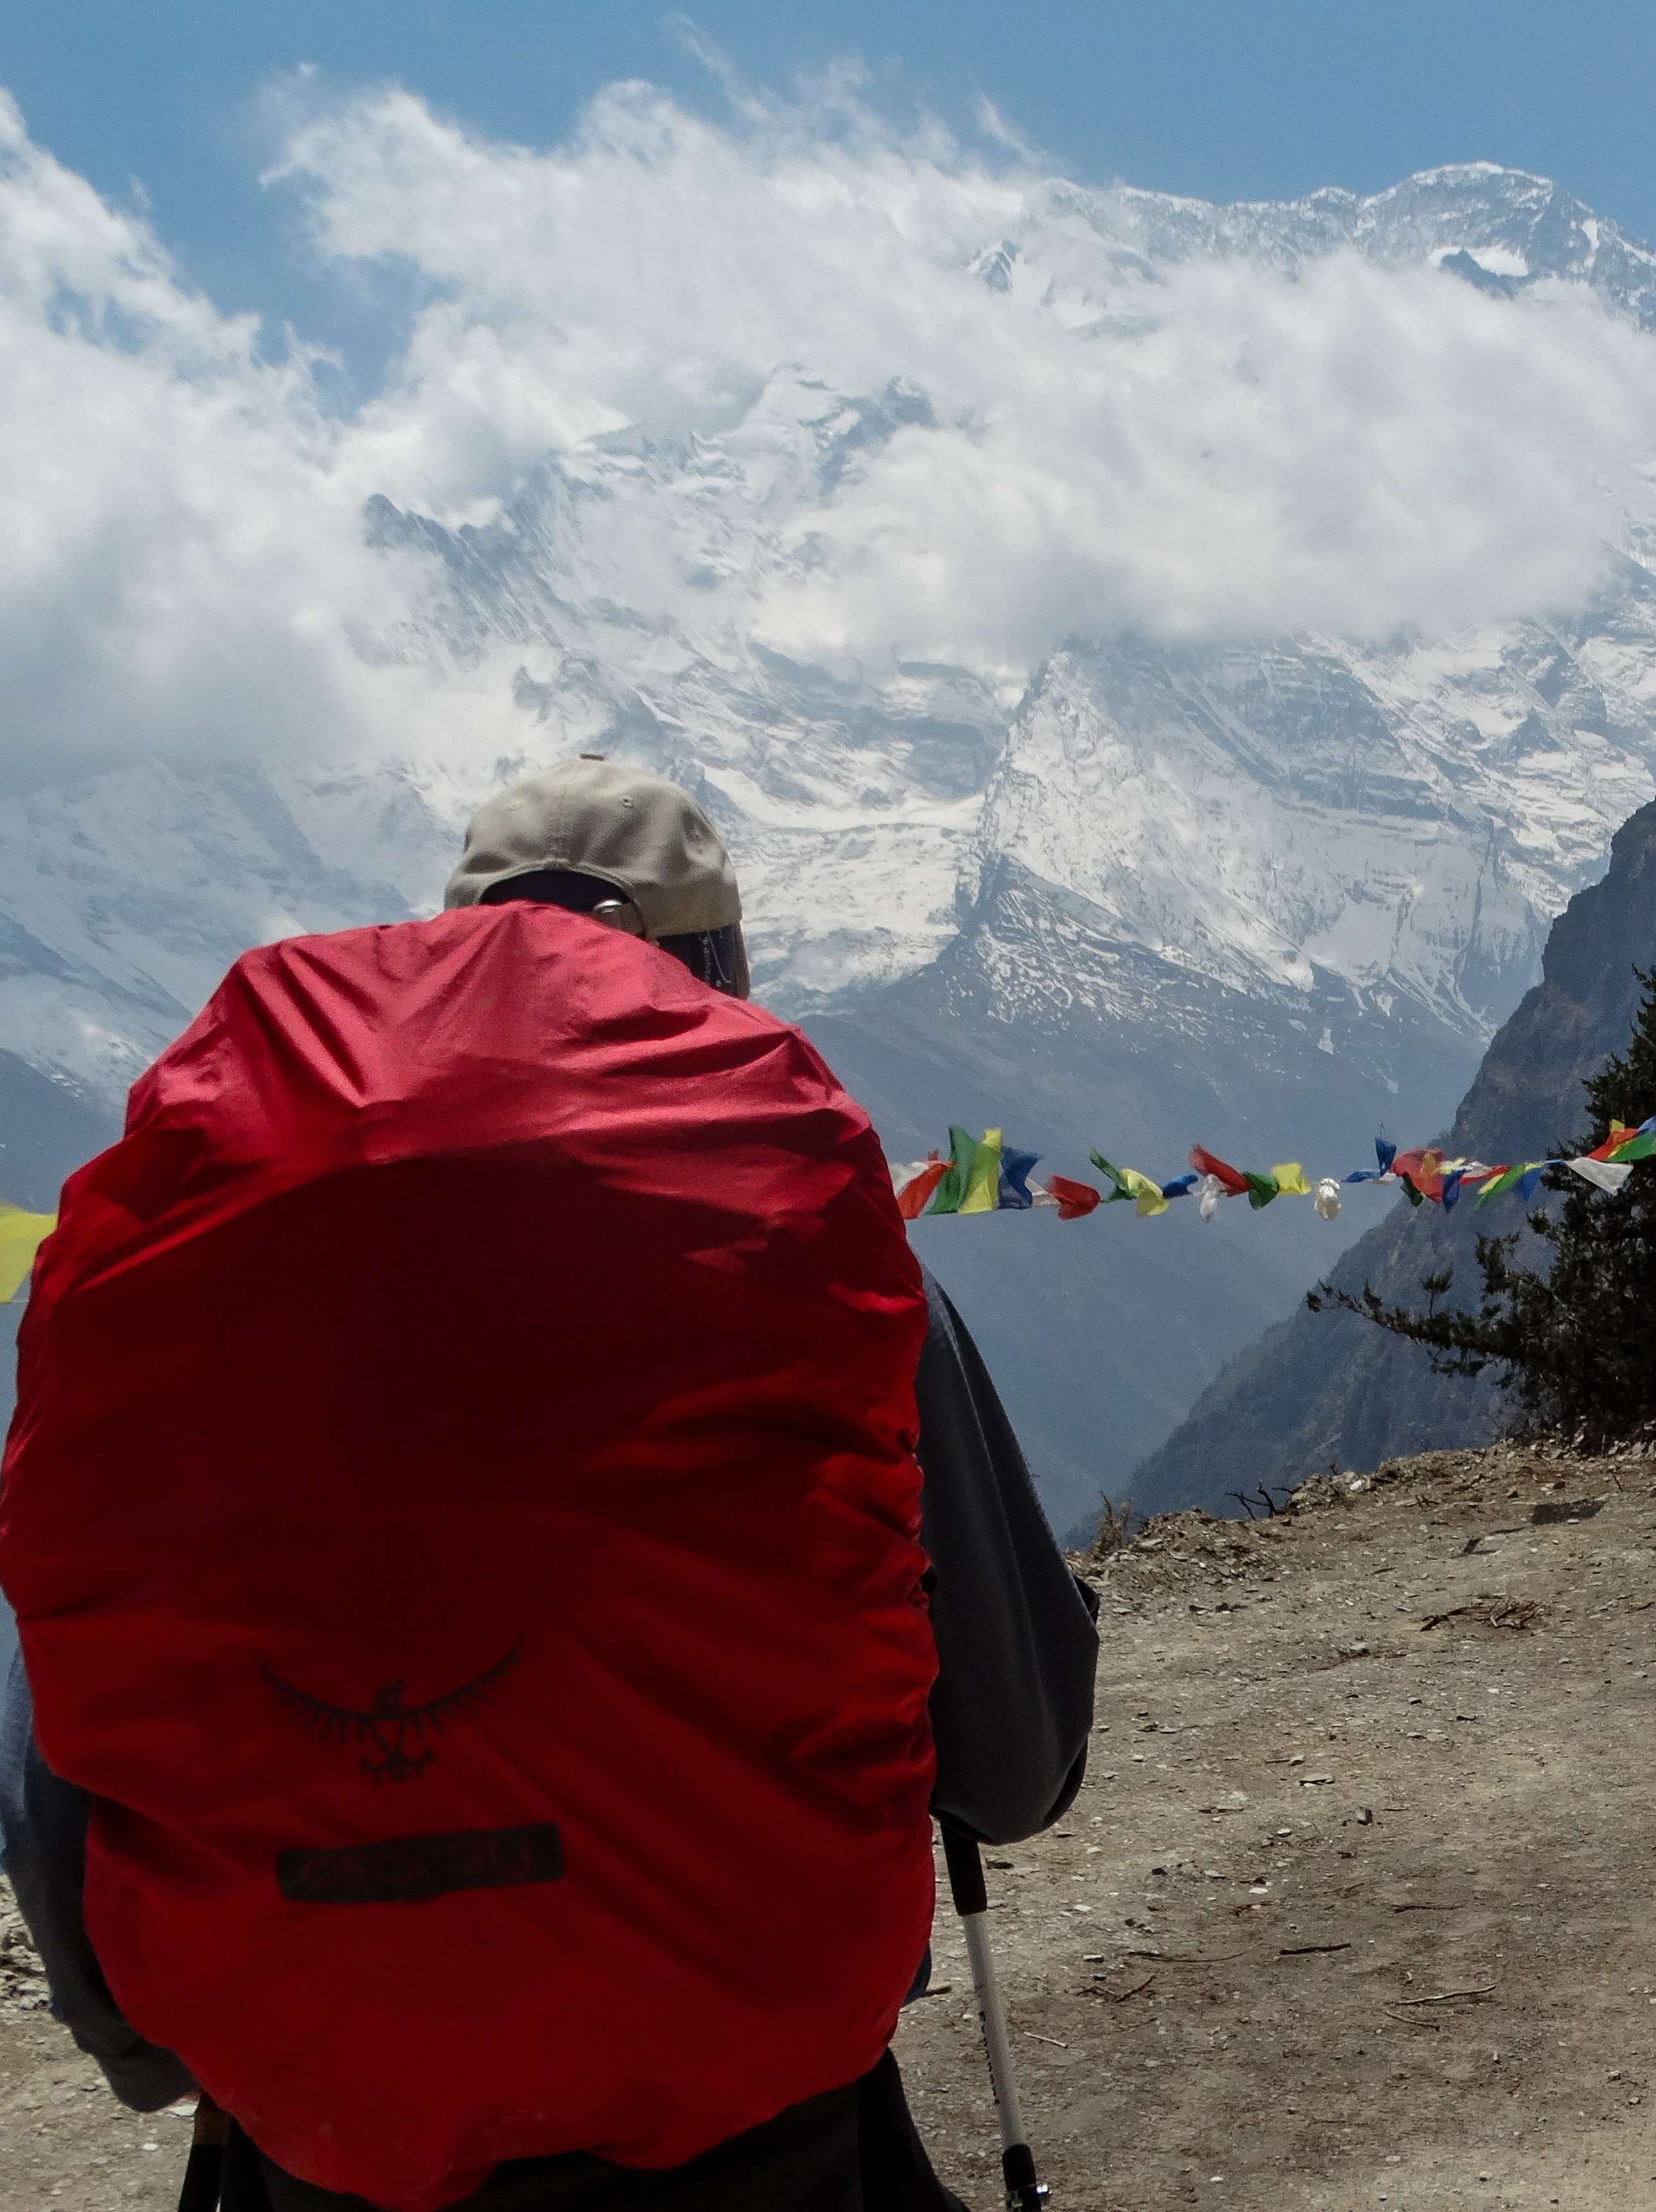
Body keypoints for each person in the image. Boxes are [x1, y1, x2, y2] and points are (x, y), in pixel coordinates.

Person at [1, 757, 1098, 2211]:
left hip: (329, 2118)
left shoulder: (204, 1268)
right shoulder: (824, 1251)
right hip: (761, 2109)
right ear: (716, 976)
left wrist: (148, 2034)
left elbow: (64, 1704)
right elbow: (1010, 1764)